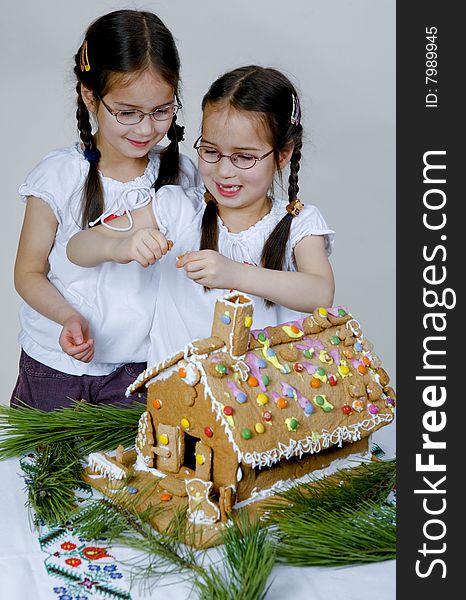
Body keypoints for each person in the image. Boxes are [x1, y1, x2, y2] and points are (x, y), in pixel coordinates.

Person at [67, 66, 335, 369]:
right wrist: (120, 247)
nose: (223, 171)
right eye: (210, 151)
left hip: (264, 407)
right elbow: (78, 248)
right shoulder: (178, 208)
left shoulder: (299, 223)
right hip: (176, 404)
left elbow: (320, 292)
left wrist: (234, 274)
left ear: (283, 154)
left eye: (244, 157)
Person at [11, 10, 200, 410]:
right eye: (128, 113)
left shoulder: (183, 176)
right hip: (54, 364)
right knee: (42, 471)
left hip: (141, 371)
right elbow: (28, 272)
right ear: (90, 96)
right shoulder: (59, 176)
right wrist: (66, 317)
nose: (146, 129)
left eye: (162, 111)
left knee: (129, 472)